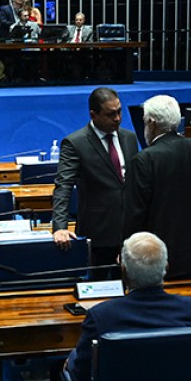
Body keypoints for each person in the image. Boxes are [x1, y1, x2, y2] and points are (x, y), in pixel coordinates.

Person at [53, 232, 191, 381]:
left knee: (60, 370)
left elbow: (81, 375)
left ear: (123, 270)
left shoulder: (101, 317)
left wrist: (70, 361)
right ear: (166, 267)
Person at [122, 94, 191, 279]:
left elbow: (134, 214)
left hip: (155, 258)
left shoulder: (144, 159)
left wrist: (127, 252)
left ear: (151, 123)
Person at [52, 87, 140, 279]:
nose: (117, 118)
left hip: (130, 231)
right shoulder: (75, 143)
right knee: (97, 286)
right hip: (98, 232)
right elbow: (63, 185)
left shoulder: (130, 138)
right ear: (93, 115)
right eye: (110, 114)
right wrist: (60, 226)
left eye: (119, 111)